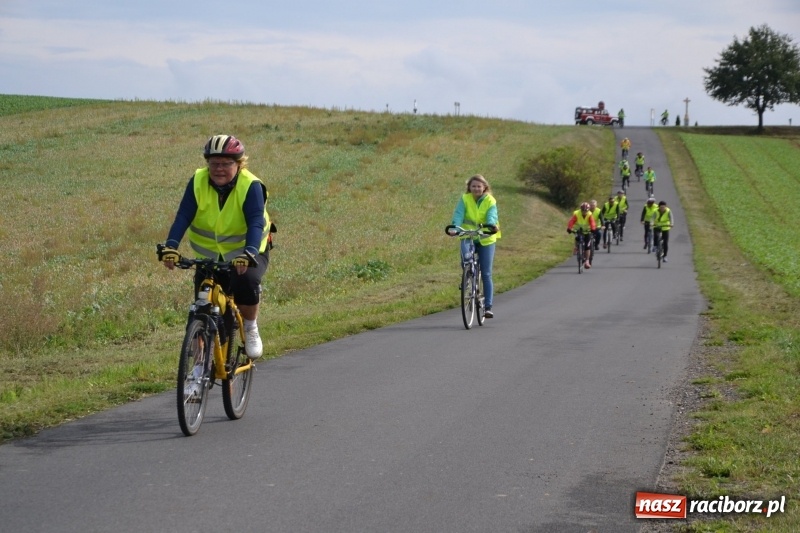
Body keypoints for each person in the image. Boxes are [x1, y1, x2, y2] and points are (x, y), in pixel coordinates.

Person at [159, 134, 273, 359]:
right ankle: (197, 372)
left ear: (238, 164)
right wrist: (170, 246)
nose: (219, 169)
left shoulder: (251, 185)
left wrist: (249, 252)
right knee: (202, 305)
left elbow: (255, 222)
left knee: (246, 281)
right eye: (214, 164)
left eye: (226, 164)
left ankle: (250, 327)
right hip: (209, 255)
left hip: (248, 251)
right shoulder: (198, 181)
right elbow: (184, 215)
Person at [449, 174, 501, 318]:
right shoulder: (465, 199)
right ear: (469, 188)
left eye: (479, 186)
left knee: (486, 273)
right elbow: (458, 215)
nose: (476, 189)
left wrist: (491, 226)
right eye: (473, 186)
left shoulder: (490, 200)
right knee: (466, 260)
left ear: (484, 187)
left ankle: (488, 307)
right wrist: (455, 228)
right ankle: (467, 278)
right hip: (468, 235)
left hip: (486, 237)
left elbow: (492, 215)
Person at [567, 202, 597, 269]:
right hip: (579, 229)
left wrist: (593, 229)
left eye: (586, 210)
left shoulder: (589, 214)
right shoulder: (577, 213)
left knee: (587, 246)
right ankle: (576, 247)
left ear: (588, 210)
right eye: (583, 210)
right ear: (581, 209)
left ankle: (587, 261)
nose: (584, 212)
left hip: (587, 231)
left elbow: (592, 222)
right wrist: (569, 228)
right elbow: (572, 221)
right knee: (577, 237)